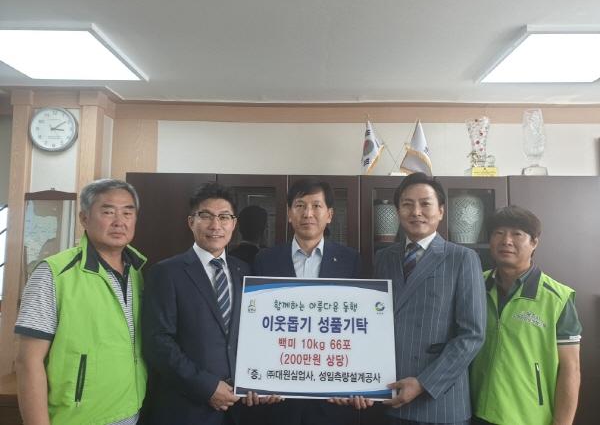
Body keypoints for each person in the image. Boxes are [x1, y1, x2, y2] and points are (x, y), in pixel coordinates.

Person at [14, 179, 147, 425]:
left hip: (132, 411)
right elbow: (28, 362)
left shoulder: (140, 271)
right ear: (84, 218)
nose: (120, 221)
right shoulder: (54, 273)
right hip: (77, 418)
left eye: (128, 212)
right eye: (108, 212)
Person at [141, 183, 271, 425]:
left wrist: (260, 380)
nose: (215, 225)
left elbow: (256, 334)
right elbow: (158, 342)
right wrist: (207, 387)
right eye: (206, 216)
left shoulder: (245, 272)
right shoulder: (166, 273)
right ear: (191, 221)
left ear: (234, 224)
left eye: (224, 217)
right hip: (187, 409)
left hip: (239, 409)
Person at [374, 172, 486, 425]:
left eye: (425, 203)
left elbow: (472, 334)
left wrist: (424, 383)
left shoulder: (462, 258)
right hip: (389, 393)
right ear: (397, 211)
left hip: (439, 402)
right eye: (407, 204)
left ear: (441, 211)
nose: (416, 212)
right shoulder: (384, 257)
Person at [253, 178, 361, 425]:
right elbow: (258, 326)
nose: (308, 213)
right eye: (300, 205)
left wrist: (355, 382)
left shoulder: (350, 260)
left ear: (329, 214)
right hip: (278, 397)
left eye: (316, 206)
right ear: (289, 214)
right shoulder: (265, 260)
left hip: (332, 398)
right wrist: (259, 379)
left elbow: (357, 328)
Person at [470, 206, 582, 425]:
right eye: (498, 233)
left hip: (529, 417)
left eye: (517, 234)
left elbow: (571, 369)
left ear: (534, 242)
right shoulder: (474, 285)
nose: (506, 241)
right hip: (474, 412)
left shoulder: (557, 298)